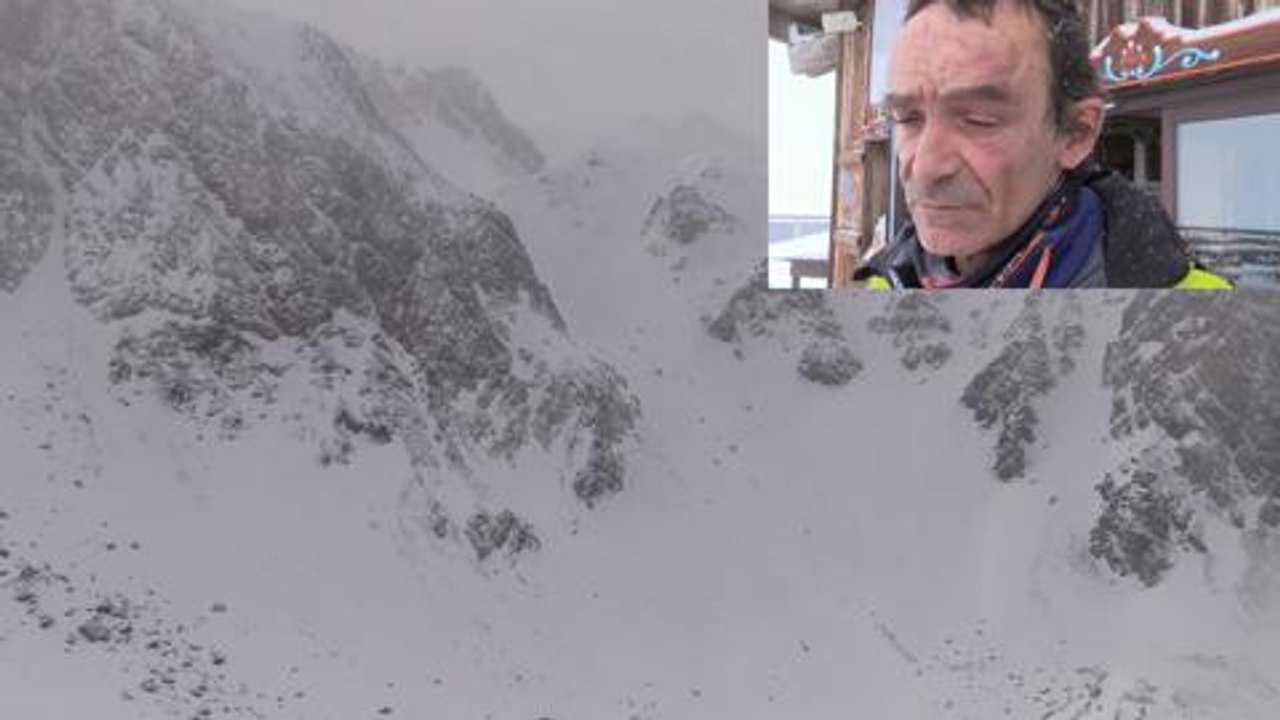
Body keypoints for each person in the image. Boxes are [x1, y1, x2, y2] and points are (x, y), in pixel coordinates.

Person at [854, 0, 1231, 289]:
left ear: (1076, 134)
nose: (925, 167)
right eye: (907, 118)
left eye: (979, 120)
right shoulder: (868, 307)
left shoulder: (1207, 334)